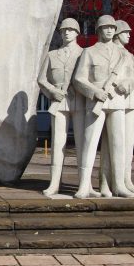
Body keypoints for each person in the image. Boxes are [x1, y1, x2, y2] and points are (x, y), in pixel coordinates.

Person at [72, 15, 134, 199]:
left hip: (117, 102)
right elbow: (78, 79)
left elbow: (131, 76)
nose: (109, 30)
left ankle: (120, 185)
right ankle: (84, 185)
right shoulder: (88, 52)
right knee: (89, 143)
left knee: (118, 143)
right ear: (98, 30)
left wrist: (126, 83)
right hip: (95, 103)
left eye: (112, 27)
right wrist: (94, 92)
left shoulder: (123, 54)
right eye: (105, 27)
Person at [37, 18, 89, 196]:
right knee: (58, 142)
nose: (66, 32)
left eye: (70, 29)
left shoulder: (85, 54)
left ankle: (85, 183)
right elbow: (41, 79)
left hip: (80, 101)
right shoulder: (52, 55)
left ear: (77, 32)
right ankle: (54, 183)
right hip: (58, 102)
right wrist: (53, 92)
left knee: (83, 143)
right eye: (63, 30)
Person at [99, 19, 134, 196]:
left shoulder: (127, 54)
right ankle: (107, 181)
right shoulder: (112, 52)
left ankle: (126, 179)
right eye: (126, 32)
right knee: (111, 143)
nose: (128, 35)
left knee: (127, 143)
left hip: (128, 100)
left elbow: (131, 77)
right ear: (117, 33)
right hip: (115, 100)